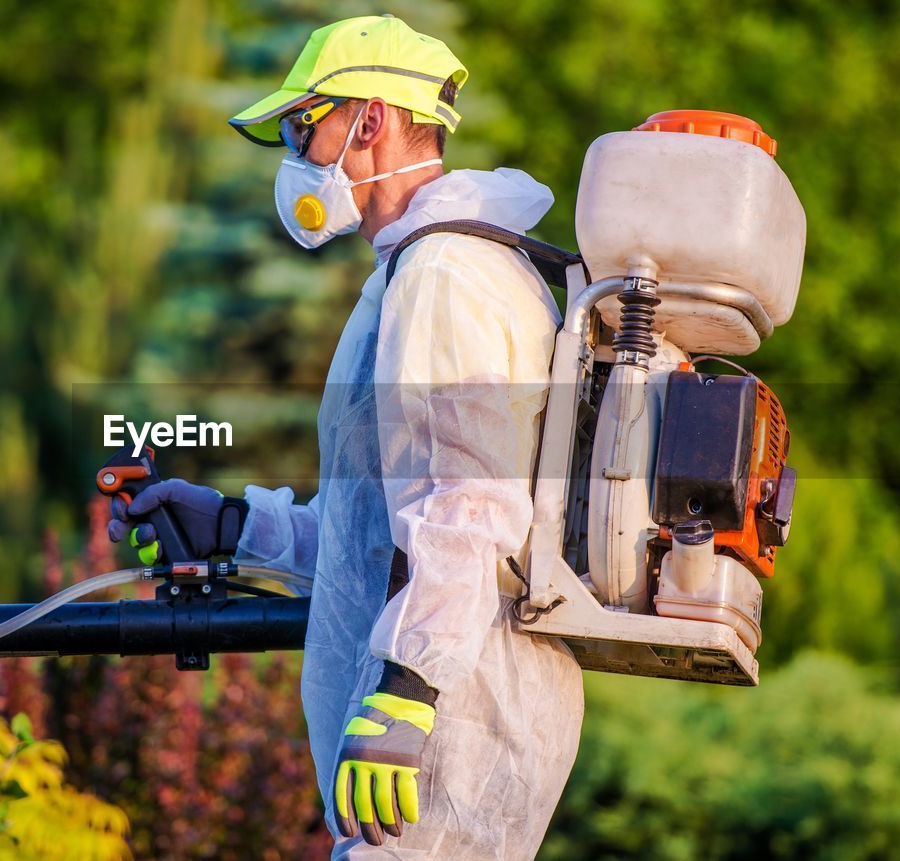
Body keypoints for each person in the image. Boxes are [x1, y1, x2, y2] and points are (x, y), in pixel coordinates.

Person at [109, 15, 584, 859]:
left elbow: (470, 510)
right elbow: (376, 536)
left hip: (446, 741)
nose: (294, 152)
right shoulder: (413, 270)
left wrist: (406, 688)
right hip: (426, 740)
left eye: (304, 125)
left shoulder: (446, 273)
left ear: (367, 120)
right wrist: (233, 527)